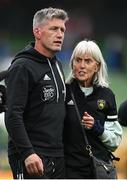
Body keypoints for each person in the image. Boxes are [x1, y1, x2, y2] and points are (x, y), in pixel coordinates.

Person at [5, 7, 69, 179]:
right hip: (32, 156)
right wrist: (27, 153)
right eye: (54, 29)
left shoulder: (57, 65)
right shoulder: (22, 66)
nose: (60, 34)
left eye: (62, 29)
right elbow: (12, 115)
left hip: (57, 156)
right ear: (37, 32)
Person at [64, 40, 122, 179]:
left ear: (97, 66)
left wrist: (97, 127)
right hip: (69, 171)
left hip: (98, 170)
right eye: (78, 60)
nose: (82, 66)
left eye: (88, 61)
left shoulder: (106, 95)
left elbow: (115, 141)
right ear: (72, 64)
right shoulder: (64, 92)